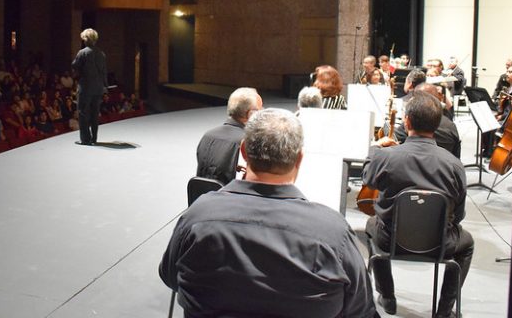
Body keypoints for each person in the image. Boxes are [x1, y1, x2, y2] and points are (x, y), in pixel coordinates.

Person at [160, 108, 377, 318]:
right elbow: (360, 308)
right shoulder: (334, 233)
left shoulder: (198, 215)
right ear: (299, 159)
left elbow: (170, 277)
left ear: (243, 151)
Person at [362, 90, 473, 318]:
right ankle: (443, 310)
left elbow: (367, 179)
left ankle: (388, 297)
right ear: (437, 124)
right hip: (440, 243)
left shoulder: (386, 157)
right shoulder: (454, 165)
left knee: (371, 225)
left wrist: (375, 147)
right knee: (467, 243)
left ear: (407, 121)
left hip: (390, 239)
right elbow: (459, 215)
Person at [195, 87, 262, 185]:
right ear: (250, 114)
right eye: (260, 110)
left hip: (202, 197)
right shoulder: (249, 141)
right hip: (231, 199)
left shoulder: (207, 136)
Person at [71, 28, 108, 145]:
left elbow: (75, 66)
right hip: (98, 88)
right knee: (94, 113)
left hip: (86, 88)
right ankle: (94, 138)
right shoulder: (101, 54)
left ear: (86, 39)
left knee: (83, 113)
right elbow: (104, 71)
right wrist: (104, 85)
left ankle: (85, 139)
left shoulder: (83, 53)